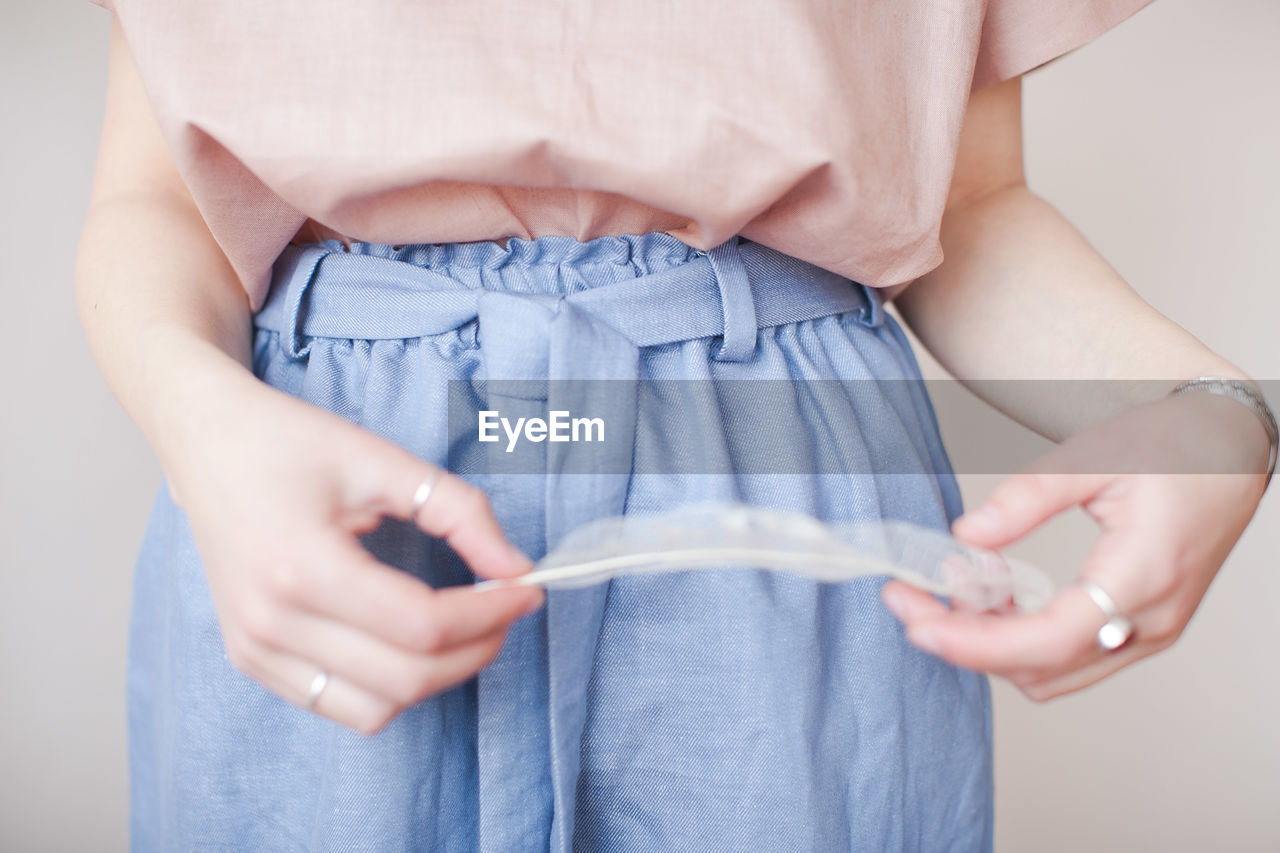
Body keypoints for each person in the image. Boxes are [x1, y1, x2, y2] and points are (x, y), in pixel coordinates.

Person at [75, 1, 1275, 850]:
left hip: (771, 501)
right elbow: (160, 198)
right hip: (324, 509)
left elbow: (965, 203)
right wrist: (204, 424)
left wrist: (1218, 415)